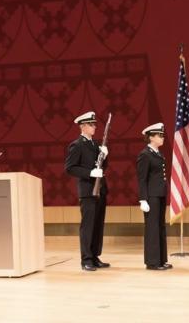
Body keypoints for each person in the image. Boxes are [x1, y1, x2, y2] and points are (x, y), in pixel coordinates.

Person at [65, 111, 110, 272]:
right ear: (83, 127)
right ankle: (86, 259)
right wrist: (90, 173)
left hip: (100, 189)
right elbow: (70, 168)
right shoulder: (77, 145)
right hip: (88, 190)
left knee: (98, 225)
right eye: (91, 124)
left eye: (94, 124)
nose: (94, 127)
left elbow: (103, 167)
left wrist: (104, 156)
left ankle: (95, 256)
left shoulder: (96, 144)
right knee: (88, 225)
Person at [137, 123, 172, 271]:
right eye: (159, 135)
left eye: (162, 135)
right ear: (151, 137)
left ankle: (161, 259)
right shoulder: (145, 154)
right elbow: (142, 178)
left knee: (160, 227)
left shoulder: (158, 153)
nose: (162, 138)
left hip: (159, 194)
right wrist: (143, 199)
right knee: (152, 228)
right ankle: (152, 261)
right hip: (151, 196)